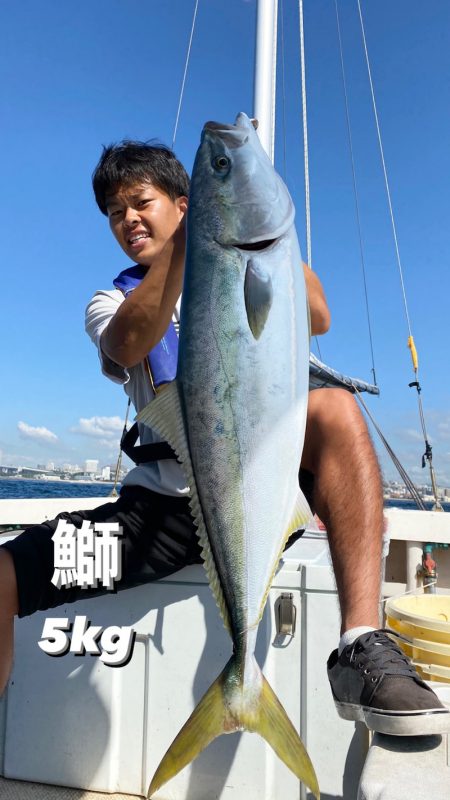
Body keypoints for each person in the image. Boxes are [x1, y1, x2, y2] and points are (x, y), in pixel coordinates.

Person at [0, 141, 447, 738]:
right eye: (114, 212)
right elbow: (126, 344)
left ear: (185, 205)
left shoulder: (256, 261)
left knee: (336, 408)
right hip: (158, 516)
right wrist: (186, 251)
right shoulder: (111, 299)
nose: (127, 219)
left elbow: (317, 314)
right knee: (2, 572)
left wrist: (260, 223)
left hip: (257, 497)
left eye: (141, 202)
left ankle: (360, 643)